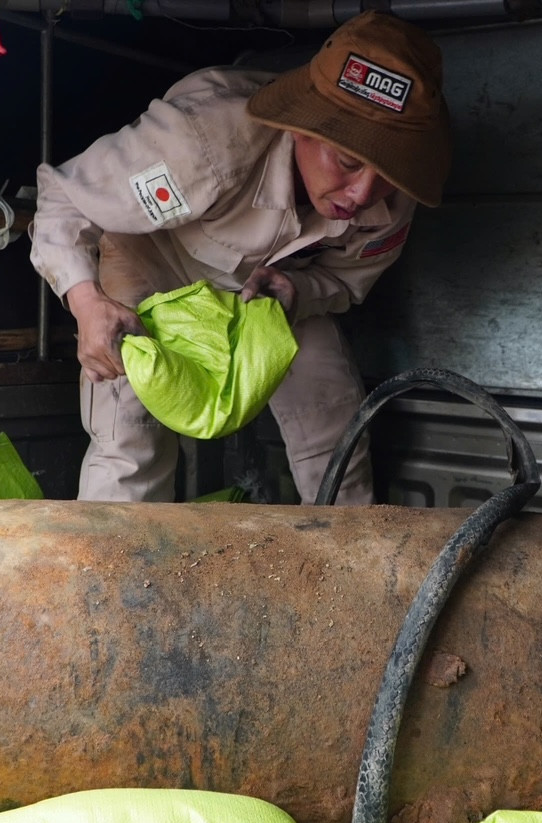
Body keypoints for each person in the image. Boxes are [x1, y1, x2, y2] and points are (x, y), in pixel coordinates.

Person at [29, 11, 451, 504]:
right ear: (302, 127)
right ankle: (109, 574)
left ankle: (347, 565)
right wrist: (86, 303)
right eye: (350, 161)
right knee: (130, 437)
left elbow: (346, 279)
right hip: (155, 264)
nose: (362, 193)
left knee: (331, 416)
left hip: (271, 290)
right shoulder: (203, 139)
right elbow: (64, 198)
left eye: (386, 172)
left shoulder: (393, 196)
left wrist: (302, 292)